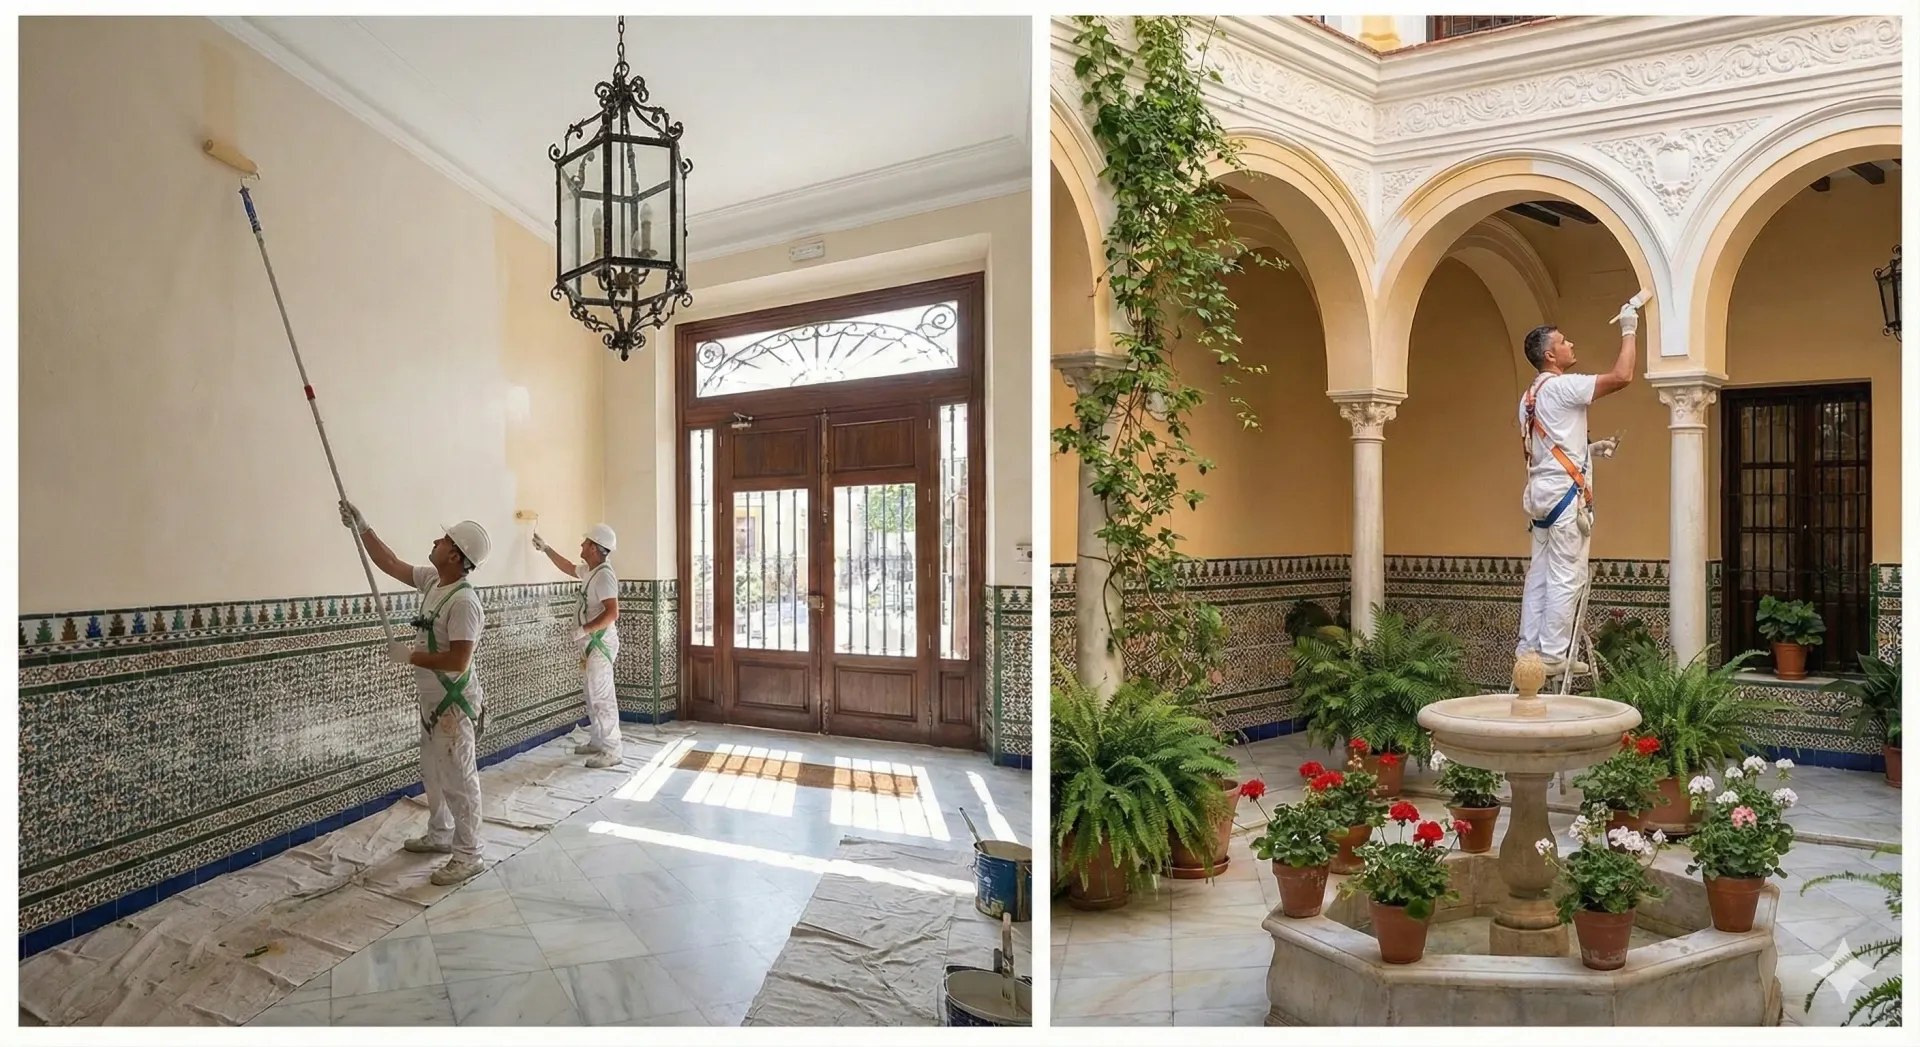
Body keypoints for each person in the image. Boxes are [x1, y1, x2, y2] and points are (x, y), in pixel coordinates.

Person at [339, 500, 493, 886]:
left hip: (452, 706)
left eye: (442, 540)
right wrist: (363, 526)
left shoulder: (463, 602)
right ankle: (441, 834)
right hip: (431, 703)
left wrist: (411, 656)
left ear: (456, 555)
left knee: (458, 779)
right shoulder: (432, 582)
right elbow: (389, 563)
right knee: (434, 774)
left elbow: (459, 660)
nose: (435, 541)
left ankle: (469, 853)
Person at [1514, 297, 1641, 677]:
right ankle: (1553, 655)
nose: (1571, 345)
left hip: (1541, 492)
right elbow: (1622, 377)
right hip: (1563, 497)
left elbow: (1549, 443)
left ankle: (1529, 648)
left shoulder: (1529, 398)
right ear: (1551, 355)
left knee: (1540, 573)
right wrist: (1629, 329)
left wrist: (1589, 450)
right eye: (1564, 341)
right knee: (1567, 573)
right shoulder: (1563, 387)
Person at [534, 523, 624, 768]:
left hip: (599, 645)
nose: (581, 545)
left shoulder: (604, 575)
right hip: (590, 646)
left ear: (595, 548)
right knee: (591, 694)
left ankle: (612, 749)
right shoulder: (592, 571)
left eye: (585, 543)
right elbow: (568, 567)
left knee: (602, 697)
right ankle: (598, 740)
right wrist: (546, 549)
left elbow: (612, 613)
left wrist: (584, 629)